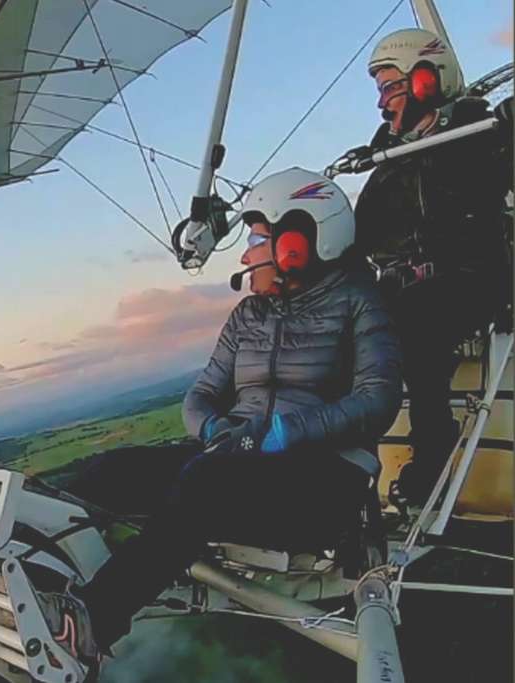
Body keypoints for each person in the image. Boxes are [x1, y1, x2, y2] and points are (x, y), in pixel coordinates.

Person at [30, 168, 403, 675]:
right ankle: (34, 593)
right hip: (237, 461)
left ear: (301, 242)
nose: (248, 254)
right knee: (107, 474)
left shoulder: (358, 301)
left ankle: (92, 620)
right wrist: (212, 429)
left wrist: (279, 434)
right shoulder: (247, 315)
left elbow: (377, 400)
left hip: (325, 483)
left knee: (205, 480)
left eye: (257, 239)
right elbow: (202, 394)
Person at [352, 28, 513, 506]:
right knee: (343, 323)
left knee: (417, 319)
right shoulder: (388, 160)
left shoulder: (479, 135)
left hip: (472, 275)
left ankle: (434, 447)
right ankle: (337, 467)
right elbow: (359, 238)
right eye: (380, 90)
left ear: (427, 79)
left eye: (391, 87)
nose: (383, 103)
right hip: (405, 284)